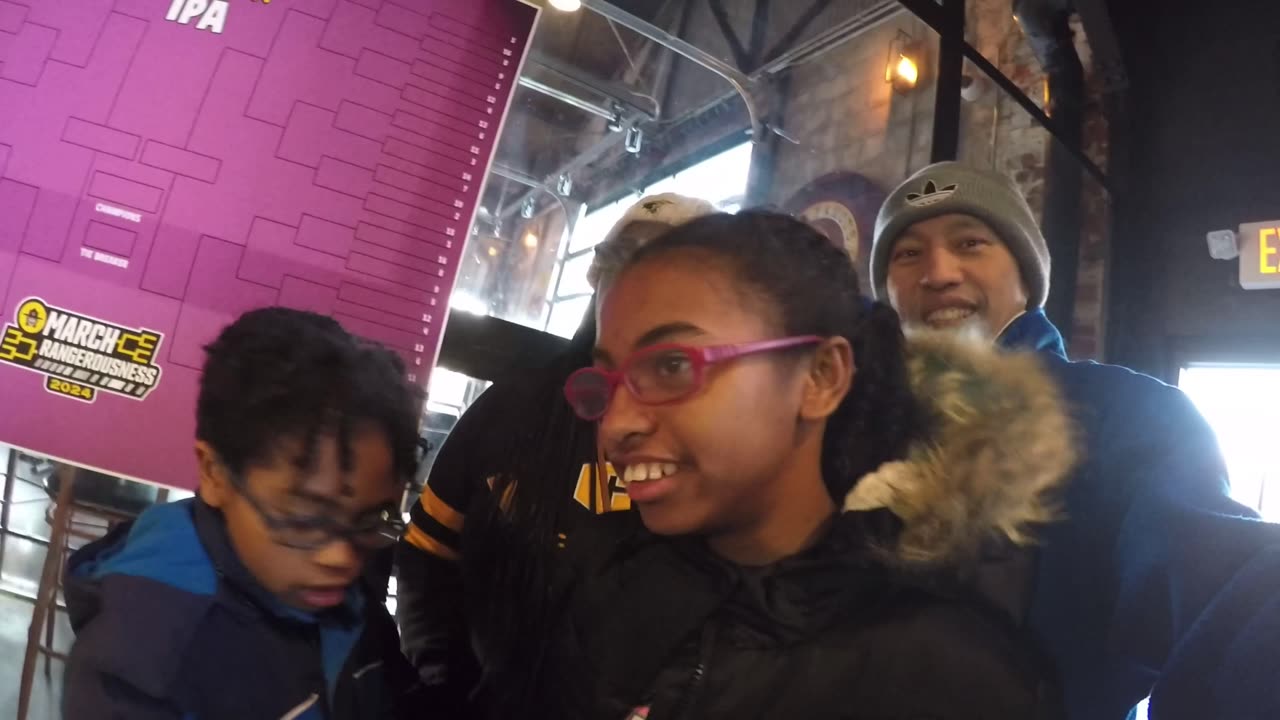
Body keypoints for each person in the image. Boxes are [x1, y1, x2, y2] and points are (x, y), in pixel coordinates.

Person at [535, 210, 1079, 719]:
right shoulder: (606, 593)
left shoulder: (940, 673)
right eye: (605, 382)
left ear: (821, 377)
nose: (616, 425)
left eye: (673, 365)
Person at [870, 161, 1280, 720]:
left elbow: (1221, 580)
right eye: (908, 253)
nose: (939, 272)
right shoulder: (852, 430)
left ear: (1025, 278)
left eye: (970, 243)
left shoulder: (1123, 410)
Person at [394, 194, 716, 715]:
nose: (640, 286)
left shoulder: (721, 435)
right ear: (596, 278)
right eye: (624, 261)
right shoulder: (517, 406)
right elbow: (425, 555)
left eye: (671, 269)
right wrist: (444, 684)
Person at [63, 308, 424, 719]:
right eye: (304, 519)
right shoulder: (142, 663)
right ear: (215, 473)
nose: (341, 558)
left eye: (370, 520)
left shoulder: (339, 595)